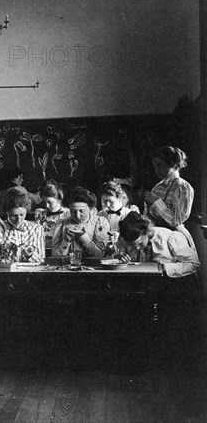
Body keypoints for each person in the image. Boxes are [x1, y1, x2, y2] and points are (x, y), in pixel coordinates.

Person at [115, 212, 202, 370]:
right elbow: (121, 252)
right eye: (132, 245)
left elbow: (194, 264)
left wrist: (164, 268)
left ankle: (167, 364)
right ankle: (140, 361)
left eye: (139, 244)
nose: (135, 248)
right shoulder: (127, 239)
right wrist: (121, 256)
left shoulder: (170, 238)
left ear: (146, 232)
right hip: (145, 284)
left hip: (174, 284)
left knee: (170, 324)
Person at [142, 146, 194, 231]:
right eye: (155, 166)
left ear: (172, 164)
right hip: (155, 232)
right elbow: (148, 216)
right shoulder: (158, 187)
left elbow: (176, 221)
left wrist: (157, 202)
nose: (156, 170)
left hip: (173, 234)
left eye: (160, 165)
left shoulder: (183, 188)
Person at [52, 186, 110, 258]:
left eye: (81, 211)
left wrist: (84, 237)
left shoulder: (100, 222)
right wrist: (66, 241)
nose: (77, 216)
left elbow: (100, 255)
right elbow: (54, 257)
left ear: (90, 208)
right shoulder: (61, 224)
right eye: (73, 211)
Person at [0, 187, 45, 263]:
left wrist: (30, 255)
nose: (19, 219)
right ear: (7, 212)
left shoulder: (36, 229)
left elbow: (41, 260)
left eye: (22, 215)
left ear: (26, 210)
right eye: (14, 216)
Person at [40, 181, 70, 250]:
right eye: (45, 202)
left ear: (59, 199)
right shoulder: (42, 213)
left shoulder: (67, 214)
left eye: (50, 202)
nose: (47, 206)